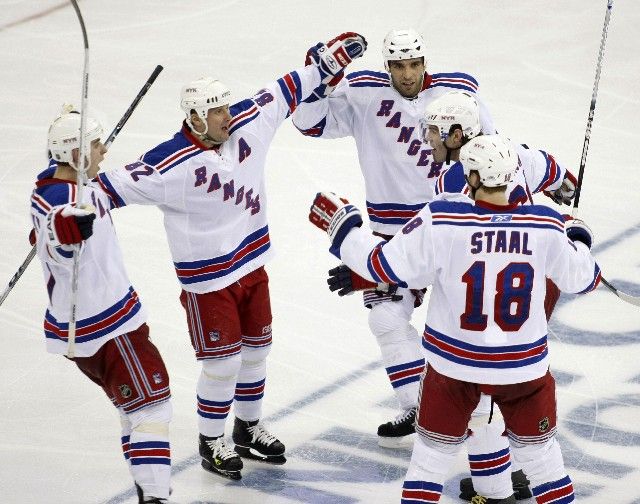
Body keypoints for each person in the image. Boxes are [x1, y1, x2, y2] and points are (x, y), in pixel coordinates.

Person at [92, 33, 367, 481]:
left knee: (258, 350)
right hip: (208, 282)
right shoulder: (168, 165)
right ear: (196, 117)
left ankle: (248, 427)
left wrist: (325, 63)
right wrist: (68, 203)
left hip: (252, 265)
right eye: (216, 111)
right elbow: (104, 192)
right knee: (222, 363)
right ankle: (211, 440)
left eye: (226, 106)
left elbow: (285, 89)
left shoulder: (247, 122)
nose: (227, 116)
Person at [308, 134, 600, 503]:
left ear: (474, 177)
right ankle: (496, 489)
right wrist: (579, 237)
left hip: (453, 367)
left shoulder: (443, 218)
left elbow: (383, 264)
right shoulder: (545, 224)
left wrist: (344, 228)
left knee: (427, 468)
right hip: (521, 370)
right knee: (545, 466)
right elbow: (583, 279)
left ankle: (492, 489)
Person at [293, 28, 496, 448]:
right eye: (399, 66)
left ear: (426, 62)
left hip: (448, 232)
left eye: (415, 65)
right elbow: (307, 123)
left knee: (467, 335)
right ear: (387, 66)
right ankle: (423, 408)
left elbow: (492, 152)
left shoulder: (458, 92)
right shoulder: (363, 92)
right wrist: (322, 76)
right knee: (385, 318)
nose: (408, 75)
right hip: (389, 235)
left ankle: (494, 433)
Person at [30, 108, 172, 504]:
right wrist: (65, 233)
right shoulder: (63, 201)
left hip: (91, 329)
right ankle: (156, 497)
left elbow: (46, 220)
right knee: (153, 408)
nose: (104, 150)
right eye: (95, 144)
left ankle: (148, 491)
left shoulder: (56, 186)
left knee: (134, 410)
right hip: (107, 329)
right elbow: (60, 232)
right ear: (76, 154)